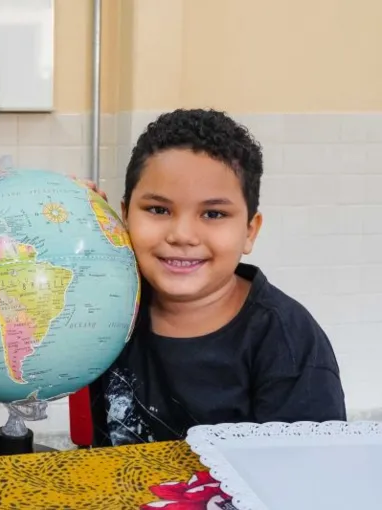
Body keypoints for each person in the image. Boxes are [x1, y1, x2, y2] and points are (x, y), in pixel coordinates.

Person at [88, 109, 347, 447]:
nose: (182, 235)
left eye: (213, 214)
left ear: (249, 231)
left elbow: (312, 478)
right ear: (124, 216)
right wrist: (74, 223)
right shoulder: (104, 303)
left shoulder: (287, 343)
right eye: (158, 210)